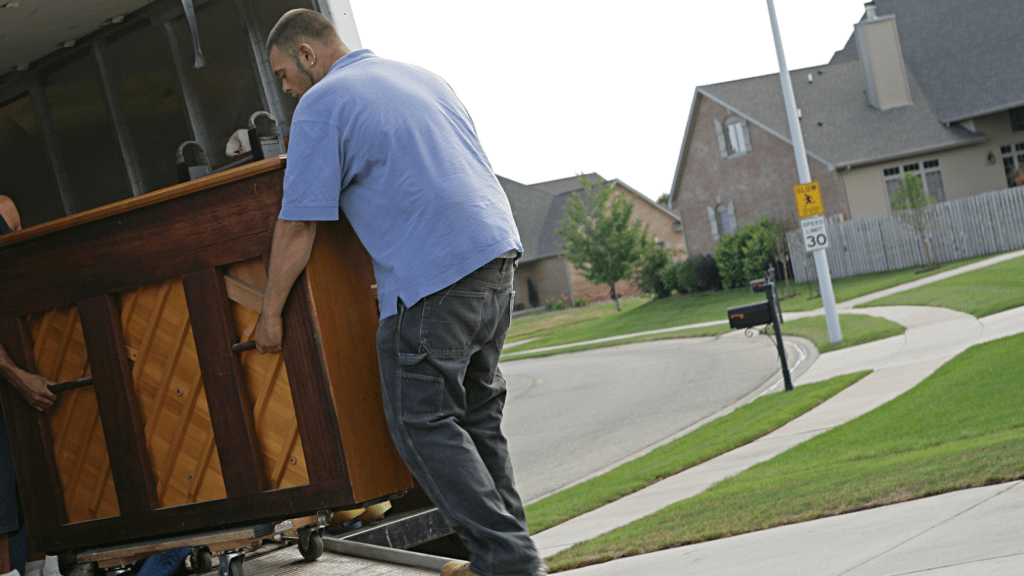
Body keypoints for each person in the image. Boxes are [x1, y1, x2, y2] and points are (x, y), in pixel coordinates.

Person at [253, 10, 543, 576]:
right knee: (478, 418)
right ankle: (516, 558)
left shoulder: (323, 102)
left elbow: (298, 224)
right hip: (497, 258)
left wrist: (269, 315)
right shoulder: (421, 77)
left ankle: (510, 562)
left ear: (309, 55)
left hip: (434, 279)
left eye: (285, 74)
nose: (285, 88)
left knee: (421, 424)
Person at [0, 196, 59, 576]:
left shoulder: (5, 208)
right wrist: (15, 375)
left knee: (35, 481)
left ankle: (46, 567)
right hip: (10, 374)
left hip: (20, 364)